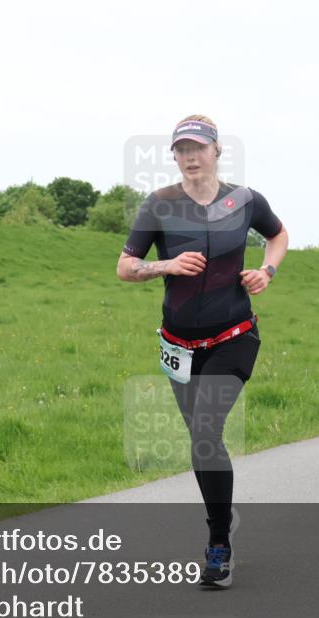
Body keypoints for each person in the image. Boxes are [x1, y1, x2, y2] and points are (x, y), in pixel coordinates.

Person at [116, 115, 289, 587]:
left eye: (198, 148)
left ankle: (218, 545)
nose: (190, 157)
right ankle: (223, 514)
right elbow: (125, 267)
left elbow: (278, 235)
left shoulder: (246, 200)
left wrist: (266, 272)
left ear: (216, 151)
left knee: (207, 431)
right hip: (180, 346)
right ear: (174, 156)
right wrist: (167, 265)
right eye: (181, 150)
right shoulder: (160, 204)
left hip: (234, 336)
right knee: (202, 439)